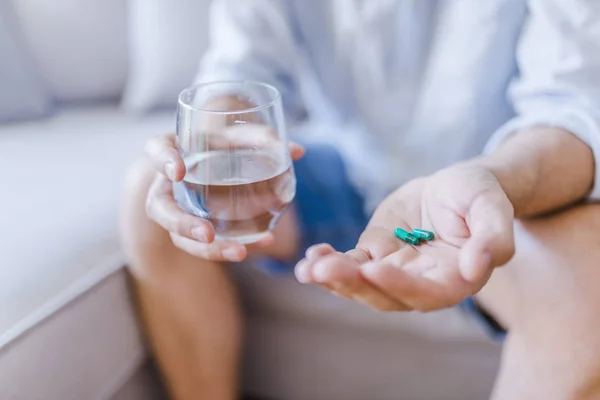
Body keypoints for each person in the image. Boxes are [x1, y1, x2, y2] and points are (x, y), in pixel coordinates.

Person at [120, 1, 600, 399]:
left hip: (504, 187)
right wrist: (216, 141)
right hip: (355, 169)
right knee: (154, 189)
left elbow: (573, 109)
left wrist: (493, 178)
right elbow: (240, 72)